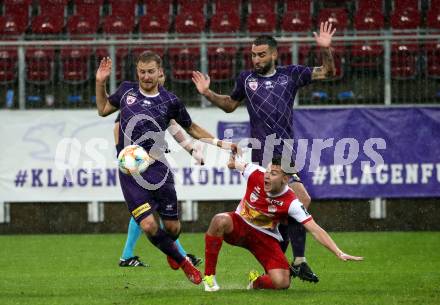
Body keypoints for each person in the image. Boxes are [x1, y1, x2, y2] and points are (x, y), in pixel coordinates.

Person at [192, 21, 337, 283]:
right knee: (300, 200)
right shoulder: (246, 80)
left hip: (287, 152)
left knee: (282, 214)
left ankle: (284, 265)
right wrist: (208, 92)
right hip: (264, 153)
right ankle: (299, 261)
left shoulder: (290, 74)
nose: (256, 59)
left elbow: (328, 72)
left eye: (261, 54)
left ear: (273, 54)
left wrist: (325, 49)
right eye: (253, 55)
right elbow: (229, 105)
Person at [96, 51, 235, 285]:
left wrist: (220, 144)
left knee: (172, 228)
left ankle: (171, 249)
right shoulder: (126, 92)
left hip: (158, 167)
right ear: (137, 71)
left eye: (151, 71)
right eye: (142, 71)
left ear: (160, 71)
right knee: (149, 225)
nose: (146, 76)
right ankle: (182, 261)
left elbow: (191, 128)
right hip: (131, 170)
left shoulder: (170, 101)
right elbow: (102, 110)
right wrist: (100, 82)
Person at [202, 154, 363, 291]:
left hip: (264, 238)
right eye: (267, 171)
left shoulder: (292, 201)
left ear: (285, 179)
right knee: (219, 220)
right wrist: (232, 162)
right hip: (239, 226)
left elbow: (315, 229)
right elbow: (236, 163)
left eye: (273, 173)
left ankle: (256, 282)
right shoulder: (254, 172)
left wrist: (338, 252)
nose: (266, 175)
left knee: (282, 282)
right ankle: (209, 278)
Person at [116, 74, 203, 268]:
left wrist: (190, 149)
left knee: (152, 212)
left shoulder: (164, 101)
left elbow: (175, 128)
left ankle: (131, 255)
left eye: (162, 75)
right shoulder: (134, 100)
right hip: (137, 162)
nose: (160, 78)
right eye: (159, 75)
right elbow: (116, 124)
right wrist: (120, 152)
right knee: (148, 213)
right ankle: (178, 254)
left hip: (154, 161)